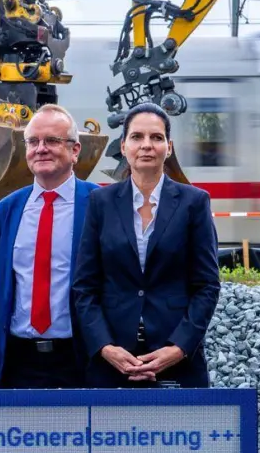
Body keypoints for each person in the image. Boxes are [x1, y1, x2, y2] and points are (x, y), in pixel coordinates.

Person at [73, 103, 221, 388]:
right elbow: (85, 286)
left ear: (169, 147)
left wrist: (179, 347)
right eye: (137, 137)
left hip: (177, 361)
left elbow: (207, 285)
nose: (146, 145)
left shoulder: (194, 203)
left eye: (156, 137)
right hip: (111, 362)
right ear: (123, 146)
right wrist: (105, 347)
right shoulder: (100, 203)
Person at [0, 105, 100, 390]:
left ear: (75, 150)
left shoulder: (100, 203)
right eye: (33, 141)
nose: (41, 149)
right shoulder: (8, 209)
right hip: (18, 361)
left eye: (52, 140)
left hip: (80, 359)